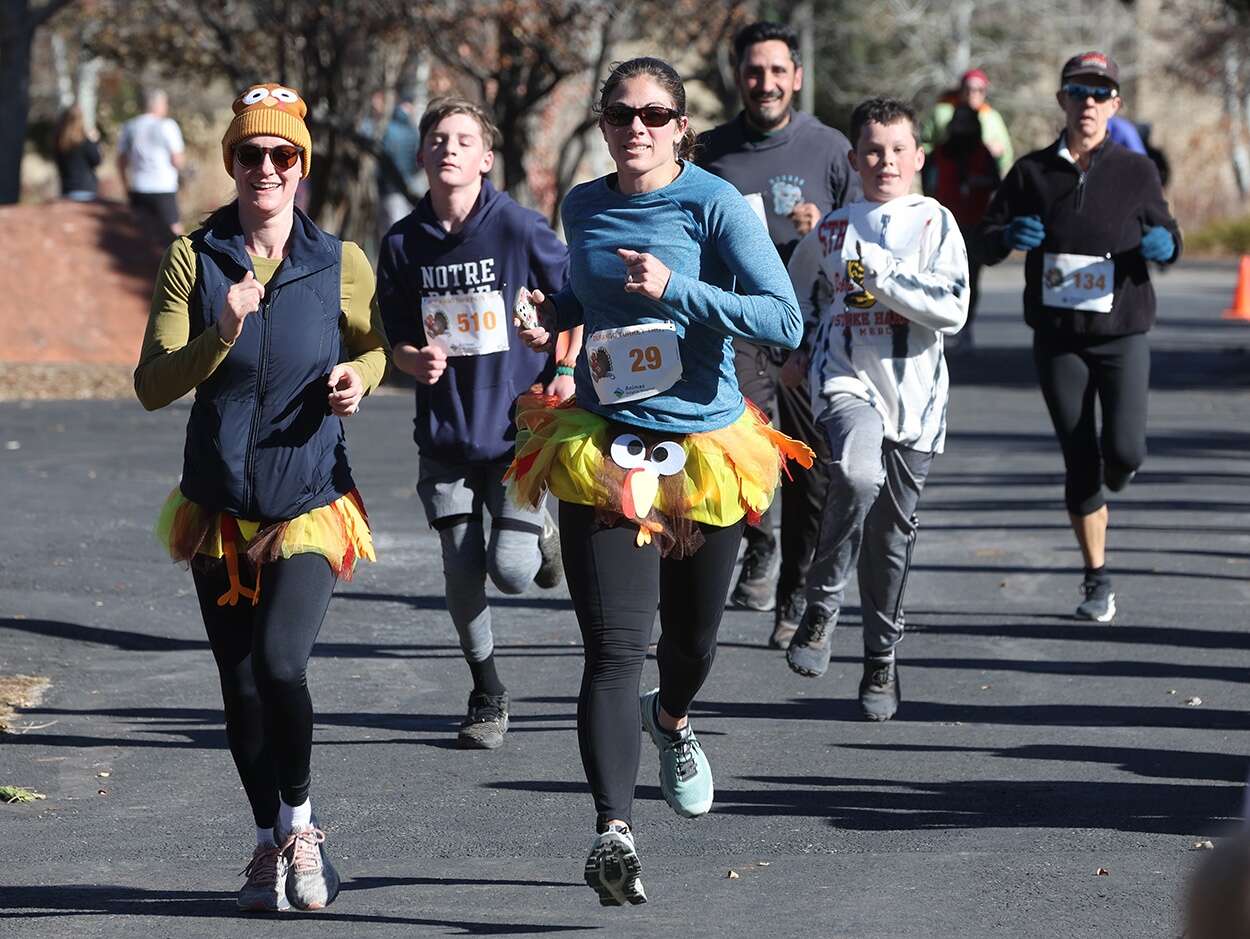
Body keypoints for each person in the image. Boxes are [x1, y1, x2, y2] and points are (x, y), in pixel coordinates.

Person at [507, 57, 811, 905]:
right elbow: (583, 297)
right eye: (619, 113)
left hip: (706, 448)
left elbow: (782, 319)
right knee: (610, 651)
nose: (634, 127)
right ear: (603, 125)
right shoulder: (584, 204)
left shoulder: (713, 204)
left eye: (653, 113)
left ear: (681, 125)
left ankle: (672, 716)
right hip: (608, 443)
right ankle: (614, 831)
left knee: (692, 646)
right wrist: (550, 318)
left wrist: (679, 287)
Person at [134, 83, 387, 912]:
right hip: (217, 510)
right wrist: (224, 330)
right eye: (251, 155)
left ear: (302, 167)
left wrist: (360, 377)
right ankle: (264, 840)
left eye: (283, 156)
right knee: (238, 683)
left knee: (282, 664)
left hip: (308, 498)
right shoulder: (193, 256)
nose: (266, 169)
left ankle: (305, 824)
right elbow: (151, 384)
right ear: (232, 164)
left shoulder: (338, 259)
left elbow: (376, 345)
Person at [375, 97, 579, 750]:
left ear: (486, 158)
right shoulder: (404, 242)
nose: (449, 148)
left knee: (514, 570)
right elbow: (396, 337)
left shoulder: (519, 228)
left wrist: (562, 365)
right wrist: (413, 358)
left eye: (464, 138)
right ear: (423, 153)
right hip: (446, 435)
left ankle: (543, 532)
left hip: (517, 430)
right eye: (437, 138)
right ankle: (486, 689)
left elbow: (574, 304)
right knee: (461, 571)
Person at [975, 50, 1181, 623]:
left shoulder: (1136, 171)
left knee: (1124, 451)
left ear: (1115, 104)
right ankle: (1097, 578)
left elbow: (1167, 230)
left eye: (1100, 93)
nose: (1088, 103)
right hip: (1058, 335)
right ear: (1062, 99)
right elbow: (985, 241)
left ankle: (1120, 470)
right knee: (1078, 458)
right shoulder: (1032, 171)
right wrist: (1008, 234)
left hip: (1123, 330)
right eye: (1078, 91)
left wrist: (1166, 247)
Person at [785, 97, 969, 722]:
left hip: (916, 400)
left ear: (918, 157)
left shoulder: (936, 222)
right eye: (872, 150)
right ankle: (823, 604)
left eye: (897, 149)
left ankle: (881, 659)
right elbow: (798, 289)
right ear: (854, 158)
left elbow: (952, 308)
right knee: (856, 473)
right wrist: (795, 348)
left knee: (890, 540)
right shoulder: (834, 228)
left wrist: (884, 279)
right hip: (846, 384)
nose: (884, 161)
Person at [697, 20, 861, 647]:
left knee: (812, 471)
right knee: (743, 451)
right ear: (738, 75)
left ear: (796, 76)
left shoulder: (829, 147)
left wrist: (828, 226)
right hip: (735, 326)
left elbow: (867, 230)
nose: (764, 83)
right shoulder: (710, 151)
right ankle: (758, 538)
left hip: (811, 330)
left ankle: (795, 591)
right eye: (753, 71)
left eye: (776, 71)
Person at [927, 103, 1000, 351]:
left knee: (969, 278)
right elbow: (929, 182)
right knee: (937, 276)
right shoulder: (939, 153)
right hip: (940, 225)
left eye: (966, 122)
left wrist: (976, 183)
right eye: (957, 122)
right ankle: (939, 323)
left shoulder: (983, 154)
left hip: (973, 224)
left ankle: (965, 326)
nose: (961, 127)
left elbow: (995, 182)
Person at [117, 88, 186, 240]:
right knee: (174, 233)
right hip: (164, 187)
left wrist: (125, 185)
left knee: (140, 236)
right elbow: (177, 160)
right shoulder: (167, 125)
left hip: (139, 187)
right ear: (159, 105)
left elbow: (121, 161)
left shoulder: (129, 126)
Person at [923, 68, 1014, 180]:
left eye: (979, 90)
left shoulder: (992, 117)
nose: (973, 93)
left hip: (982, 177)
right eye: (968, 88)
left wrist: (999, 153)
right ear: (960, 89)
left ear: (985, 92)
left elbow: (1007, 153)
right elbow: (924, 144)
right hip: (944, 177)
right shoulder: (941, 112)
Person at [377, 94, 422, 241]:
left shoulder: (387, 129)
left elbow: (382, 160)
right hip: (408, 186)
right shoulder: (413, 132)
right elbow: (418, 161)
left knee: (391, 232)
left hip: (389, 190)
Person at [52, 104, 101, 201]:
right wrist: (95, 142)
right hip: (86, 190)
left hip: (66, 189)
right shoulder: (85, 141)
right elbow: (97, 160)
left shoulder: (59, 142)